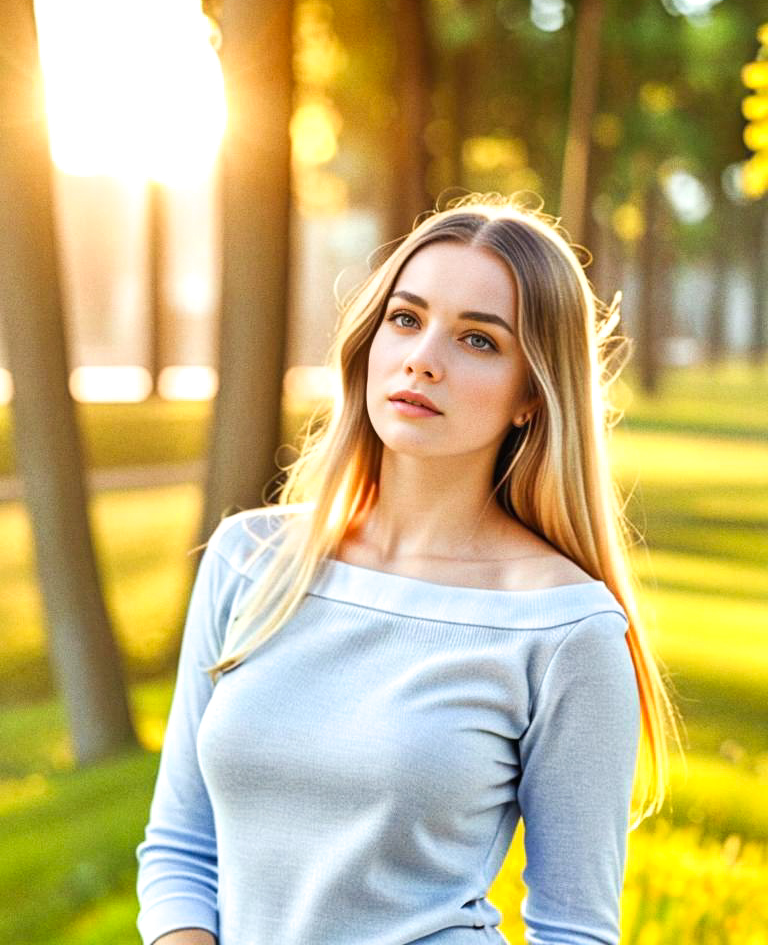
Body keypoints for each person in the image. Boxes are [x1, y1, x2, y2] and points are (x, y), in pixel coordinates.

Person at [135, 194, 683, 945]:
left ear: (532, 394)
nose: (423, 357)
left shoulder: (565, 629)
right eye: (406, 318)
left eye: (479, 341)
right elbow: (181, 851)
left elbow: (575, 931)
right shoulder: (248, 559)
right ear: (371, 339)